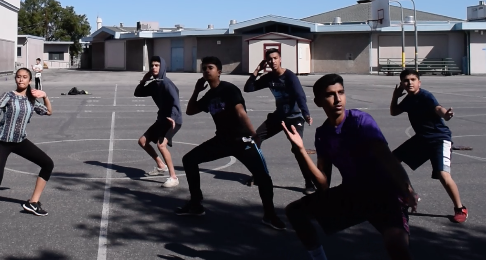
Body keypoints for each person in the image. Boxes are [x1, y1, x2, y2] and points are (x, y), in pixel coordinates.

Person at [283, 74, 418, 260]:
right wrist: (300, 151)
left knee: (397, 246)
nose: (338, 99)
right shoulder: (323, 134)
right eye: (330, 94)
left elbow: (387, 157)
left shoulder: (360, 121)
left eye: (341, 92)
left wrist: (406, 188)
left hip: (384, 194)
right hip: (353, 194)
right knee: (295, 211)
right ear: (318, 101)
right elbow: (323, 184)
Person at [176, 57, 285, 230]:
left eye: (210, 67)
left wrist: (254, 135)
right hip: (222, 141)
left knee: (263, 177)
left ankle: (270, 215)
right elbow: (190, 111)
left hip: (241, 140)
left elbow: (240, 113)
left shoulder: (229, 89)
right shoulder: (209, 95)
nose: (206, 71)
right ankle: (196, 205)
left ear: (219, 71)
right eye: (204, 68)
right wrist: (196, 91)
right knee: (189, 160)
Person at [0, 68, 54, 217]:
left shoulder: (32, 99)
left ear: (29, 80)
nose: (21, 79)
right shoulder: (7, 96)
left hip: (20, 141)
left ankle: (33, 202)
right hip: (3, 141)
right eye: (18, 77)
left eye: (24, 77)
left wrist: (45, 96)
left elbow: (48, 111)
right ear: (15, 79)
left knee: (48, 164)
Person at [390, 68, 467, 223]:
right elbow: (394, 112)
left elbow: (437, 108)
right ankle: (408, 194)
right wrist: (395, 97)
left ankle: (460, 208)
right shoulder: (408, 99)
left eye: (413, 80)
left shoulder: (425, 96)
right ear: (402, 84)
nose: (409, 83)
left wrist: (445, 114)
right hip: (422, 139)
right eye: (406, 80)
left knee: (443, 175)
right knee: (392, 161)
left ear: (419, 82)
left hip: (439, 138)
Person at [244, 48, 316, 194]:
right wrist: (257, 70)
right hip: (279, 117)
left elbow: (299, 95)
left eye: (275, 58)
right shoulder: (269, 77)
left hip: (294, 118)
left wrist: (306, 113)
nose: (273, 61)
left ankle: (309, 183)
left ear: (280, 59)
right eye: (269, 59)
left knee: (297, 150)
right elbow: (248, 88)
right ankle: (259, 174)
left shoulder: (289, 76)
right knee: (255, 139)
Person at [134, 56, 182, 188]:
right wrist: (144, 80)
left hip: (173, 120)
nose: (154, 68)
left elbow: (175, 100)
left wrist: (173, 116)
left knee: (161, 145)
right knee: (142, 142)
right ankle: (161, 165)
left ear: (162, 67)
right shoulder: (155, 84)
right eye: (152, 65)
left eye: (157, 65)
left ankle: (173, 177)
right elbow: (137, 93)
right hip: (162, 118)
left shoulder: (166, 83)